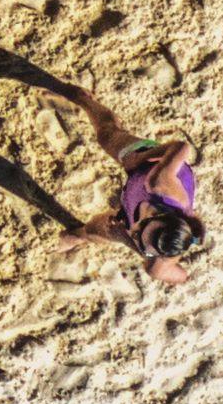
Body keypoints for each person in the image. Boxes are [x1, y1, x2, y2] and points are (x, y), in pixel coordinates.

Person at [35, 76, 209, 284]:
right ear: (162, 216)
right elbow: (182, 148)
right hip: (145, 166)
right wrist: (141, 157)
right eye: (141, 227)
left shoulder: (160, 253)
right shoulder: (159, 184)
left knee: (95, 230)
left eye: (141, 240)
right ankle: (83, 99)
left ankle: (79, 236)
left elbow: (178, 276)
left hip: (137, 209)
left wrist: (129, 239)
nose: (135, 230)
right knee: (107, 136)